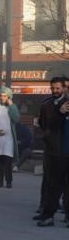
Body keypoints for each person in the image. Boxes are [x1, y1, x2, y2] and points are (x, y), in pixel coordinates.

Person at [35, 76, 68, 227]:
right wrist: (59, 113)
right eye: (53, 88)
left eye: (58, 88)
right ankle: (47, 214)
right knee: (52, 184)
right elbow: (45, 125)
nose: (55, 91)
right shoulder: (47, 105)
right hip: (56, 149)